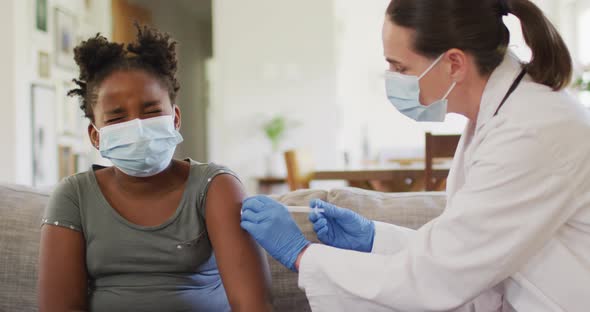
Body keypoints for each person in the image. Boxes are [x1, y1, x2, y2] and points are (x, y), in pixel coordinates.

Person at [240, 0, 590, 311]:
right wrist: (375, 238)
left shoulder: (529, 131)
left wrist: (303, 256)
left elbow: (440, 276)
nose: (392, 79)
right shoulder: (501, 118)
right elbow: (467, 249)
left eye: (400, 67)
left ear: (453, 63)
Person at [38, 25, 272, 312]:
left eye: (151, 112)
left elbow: (254, 306)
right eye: (117, 118)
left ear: (174, 119)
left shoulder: (216, 187)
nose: (137, 127)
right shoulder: (74, 195)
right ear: (95, 135)